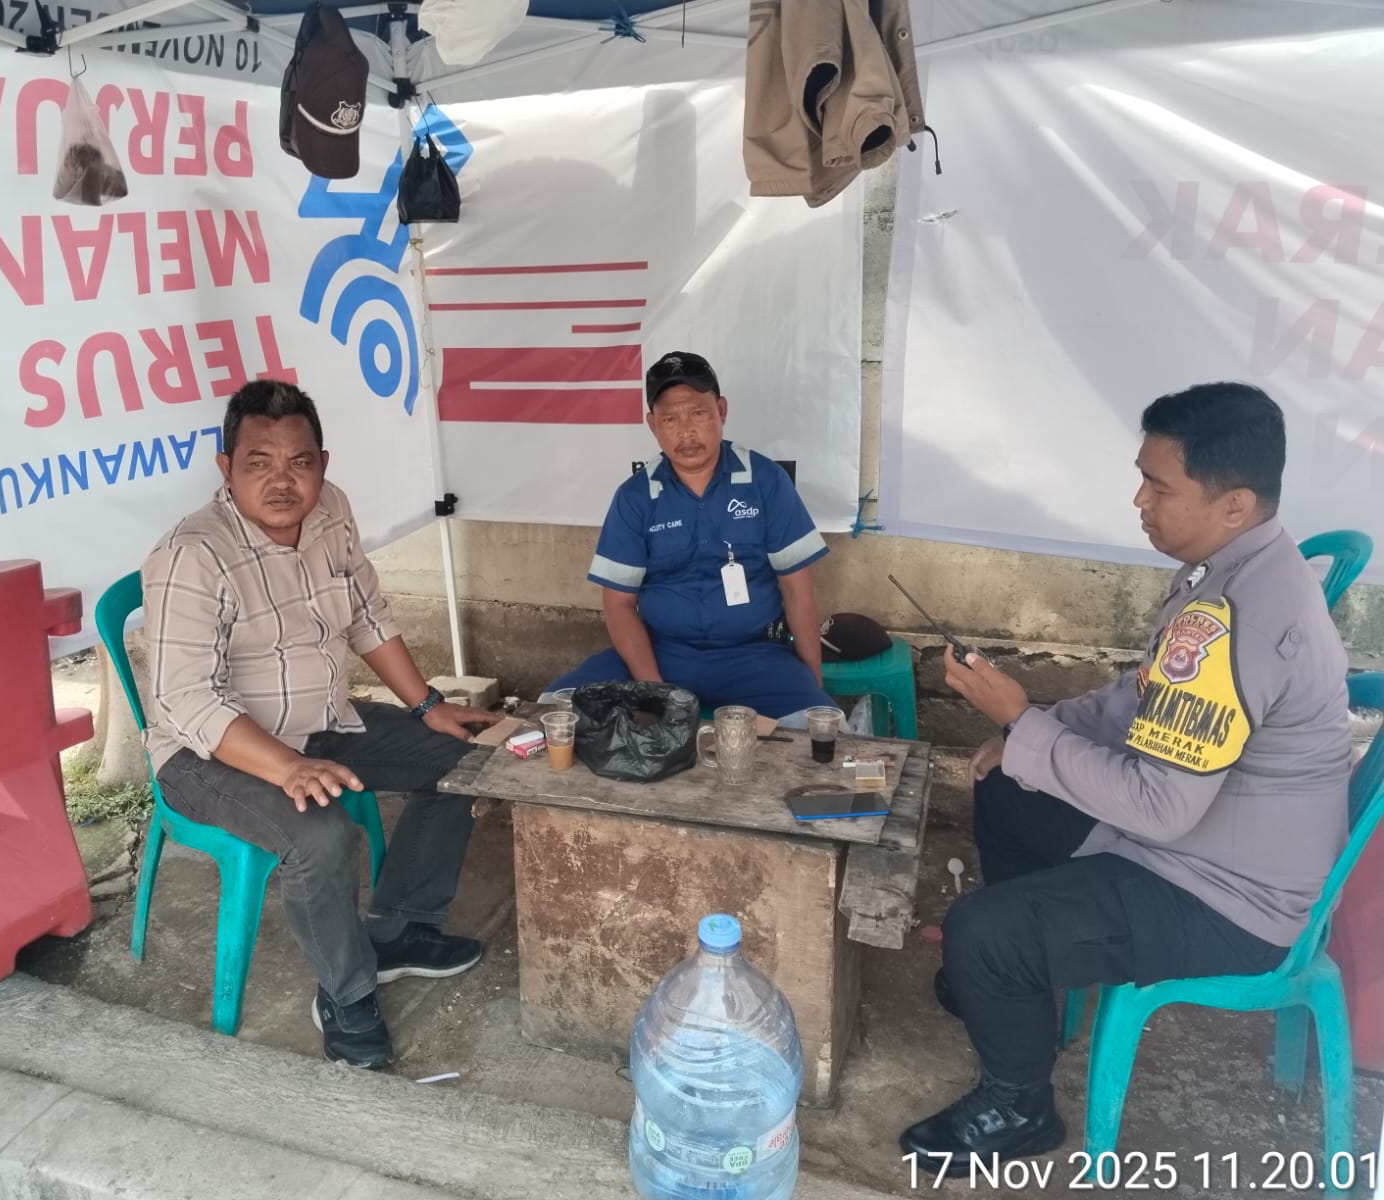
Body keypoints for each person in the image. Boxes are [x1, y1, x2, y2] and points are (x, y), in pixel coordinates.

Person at [899, 382, 1352, 1176]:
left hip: (1228, 898)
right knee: (1009, 790)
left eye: (1159, 486)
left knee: (982, 929)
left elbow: (1160, 805)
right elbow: (1138, 699)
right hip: (1207, 841)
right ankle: (1019, 990)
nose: (1139, 500)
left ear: (1234, 504)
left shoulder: (1238, 619)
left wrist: (1023, 722)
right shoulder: (1230, 569)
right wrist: (1034, 729)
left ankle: (1018, 1106)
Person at [141, 379, 497, 1070]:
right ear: (226, 467)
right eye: (259, 463)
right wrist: (287, 767)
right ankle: (346, 991)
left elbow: (366, 616)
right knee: (322, 835)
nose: (282, 481)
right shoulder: (193, 555)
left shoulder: (330, 510)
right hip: (206, 755)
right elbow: (186, 700)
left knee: (463, 757)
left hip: (319, 721)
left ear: (322, 464)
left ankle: (397, 930)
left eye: (299, 462)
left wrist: (429, 706)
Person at [543, 351, 842, 725]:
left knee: (821, 727)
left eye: (698, 413)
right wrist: (655, 692)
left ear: (721, 410)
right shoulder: (635, 496)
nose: (685, 432)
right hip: (661, 653)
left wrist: (812, 682)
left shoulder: (766, 481)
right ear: (653, 425)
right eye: (670, 419)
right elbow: (618, 604)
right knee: (555, 710)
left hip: (754, 658)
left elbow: (797, 589)